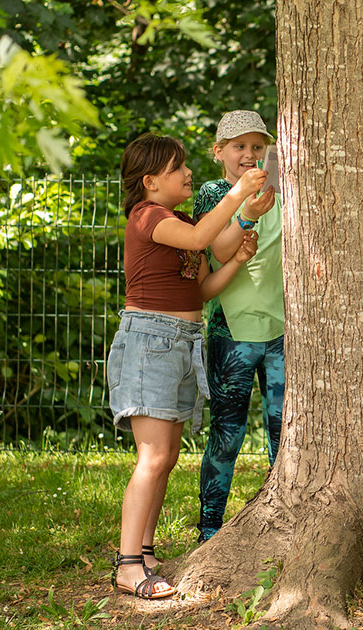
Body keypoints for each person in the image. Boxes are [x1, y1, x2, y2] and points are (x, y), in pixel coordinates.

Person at [108, 132, 267, 599]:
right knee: (153, 457)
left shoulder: (176, 219)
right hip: (151, 341)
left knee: (168, 456)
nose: (188, 172)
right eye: (177, 168)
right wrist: (239, 194)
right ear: (151, 181)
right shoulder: (148, 217)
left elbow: (202, 288)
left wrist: (237, 257)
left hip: (181, 341)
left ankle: (144, 552)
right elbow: (202, 238)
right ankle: (128, 566)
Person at [193, 110, 284, 543]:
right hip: (231, 332)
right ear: (219, 152)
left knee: (284, 432)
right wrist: (245, 212)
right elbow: (218, 249)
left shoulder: (282, 189)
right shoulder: (213, 194)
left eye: (257, 146)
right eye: (239, 146)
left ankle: (284, 524)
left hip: (282, 331)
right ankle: (210, 529)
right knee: (227, 435)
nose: (249, 154)